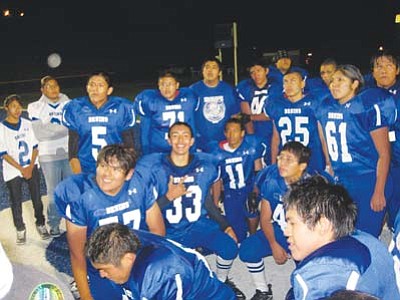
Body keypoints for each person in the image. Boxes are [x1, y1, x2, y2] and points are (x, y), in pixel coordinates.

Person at [139, 121, 246, 299]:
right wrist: (169, 197)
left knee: (229, 247)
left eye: (185, 136)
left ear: (192, 141)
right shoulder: (155, 167)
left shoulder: (205, 164)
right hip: (170, 229)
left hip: (198, 224)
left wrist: (225, 225)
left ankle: (219, 280)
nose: (180, 140)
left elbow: (206, 201)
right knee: (176, 270)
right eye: (175, 135)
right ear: (168, 140)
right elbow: (145, 210)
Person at [54, 144, 165, 300]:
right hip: (102, 270)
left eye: (116, 169)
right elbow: (77, 253)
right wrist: (86, 296)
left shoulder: (140, 185)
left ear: (128, 174)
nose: (106, 174)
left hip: (135, 261)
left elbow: (158, 233)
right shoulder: (80, 195)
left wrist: (147, 266)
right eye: (103, 166)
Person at [283, 175, 400, 300]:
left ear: (323, 225)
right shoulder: (365, 239)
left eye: (292, 223)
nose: (286, 231)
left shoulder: (316, 276)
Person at [315, 64, 396, 237]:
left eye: (340, 80)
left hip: (368, 178)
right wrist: (329, 164)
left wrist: (379, 190)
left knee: (364, 237)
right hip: (342, 179)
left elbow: (384, 153)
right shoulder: (325, 107)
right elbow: (324, 138)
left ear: (355, 84)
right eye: (332, 81)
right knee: (342, 233)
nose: (334, 84)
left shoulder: (367, 106)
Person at [238, 141, 312, 300]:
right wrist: (273, 244)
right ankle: (263, 290)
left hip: (304, 235)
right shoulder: (272, 182)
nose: (282, 163)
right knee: (247, 250)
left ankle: (300, 289)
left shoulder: (313, 187)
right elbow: (265, 218)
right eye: (281, 157)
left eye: (289, 159)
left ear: (302, 166)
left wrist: (300, 248)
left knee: (311, 270)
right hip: (280, 229)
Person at [85, 223, 236, 299]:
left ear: (128, 258)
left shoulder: (163, 274)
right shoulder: (114, 247)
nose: (102, 274)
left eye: (105, 269)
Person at [62, 71, 136, 174]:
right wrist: (79, 177)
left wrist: (126, 171)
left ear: (109, 90)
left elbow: (129, 145)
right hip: (86, 169)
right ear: (87, 87)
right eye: (92, 84)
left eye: (100, 85)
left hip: (115, 169)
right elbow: (73, 149)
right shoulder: (76, 108)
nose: (95, 89)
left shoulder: (122, 107)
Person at [0, 94, 50, 244]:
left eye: (18, 106)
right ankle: (20, 229)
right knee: (16, 200)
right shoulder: (1, 128)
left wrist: (30, 166)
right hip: (13, 169)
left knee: (37, 198)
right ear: (6, 108)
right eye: (13, 106)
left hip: (31, 166)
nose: (17, 110)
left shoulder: (28, 124)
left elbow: (35, 147)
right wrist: (21, 169)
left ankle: (40, 223)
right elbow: (3, 154)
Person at [27, 75, 72, 237]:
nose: (53, 89)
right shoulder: (35, 107)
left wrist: (51, 129)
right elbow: (40, 134)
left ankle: (74, 222)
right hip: (48, 155)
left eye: (55, 85)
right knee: (54, 192)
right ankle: (53, 223)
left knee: (72, 189)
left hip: (69, 152)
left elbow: (74, 127)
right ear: (42, 89)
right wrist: (63, 129)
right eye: (49, 86)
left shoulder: (68, 103)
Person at [211, 117, 265, 242]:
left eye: (235, 131)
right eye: (228, 131)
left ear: (242, 133)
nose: (231, 135)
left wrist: (257, 192)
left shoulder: (251, 146)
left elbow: (258, 170)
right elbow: (217, 180)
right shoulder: (217, 153)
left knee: (252, 208)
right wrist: (215, 203)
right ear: (224, 133)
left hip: (249, 187)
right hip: (231, 192)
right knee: (237, 235)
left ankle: (253, 236)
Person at [366, 50, 400, 230]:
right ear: (372, 72)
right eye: (379, 66)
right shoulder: (366, 96)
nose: (384, 70)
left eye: (389, 65)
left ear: (397, 69)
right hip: (375, 160)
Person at [266, 70, 325, 172]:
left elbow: (323, 136)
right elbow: (276, 138)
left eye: (293, 81)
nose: (289, 85)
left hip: (311, 158)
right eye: (286, 81)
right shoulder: (277, 105)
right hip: (287, 159)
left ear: (302, 83)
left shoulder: (314, 103)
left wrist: (328, 163)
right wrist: (273, 163)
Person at [134, 71, 198, 155]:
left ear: (177, 85)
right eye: (163, 84)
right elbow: (145, 129)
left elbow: (192, 123)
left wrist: (193, 148)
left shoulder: (189, 98)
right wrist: (146, 152)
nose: (166, 88)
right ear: (158, 86)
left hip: (182, 147)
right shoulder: (150, 100)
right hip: (158, 149)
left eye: (170, 84)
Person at [189, 57, 241, 152]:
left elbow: (235, 116)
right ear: (202, 71)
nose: (210, 70)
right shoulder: (192, 90)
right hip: (200, 142)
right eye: (207, 67)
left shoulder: (228, 90)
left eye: (214, 67)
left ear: (219, 72)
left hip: (224, 141)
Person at [236, 59, 279, 165]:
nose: (256, 74)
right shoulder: (245, 88)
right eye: (252, 72)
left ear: (266, 71)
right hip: (255, 132)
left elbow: (274, 113)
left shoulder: (276, 87)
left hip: (273, 130)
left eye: (258, 70)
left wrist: (251, 117)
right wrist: (252, 137)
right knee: (256, 164)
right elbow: (246, 116)